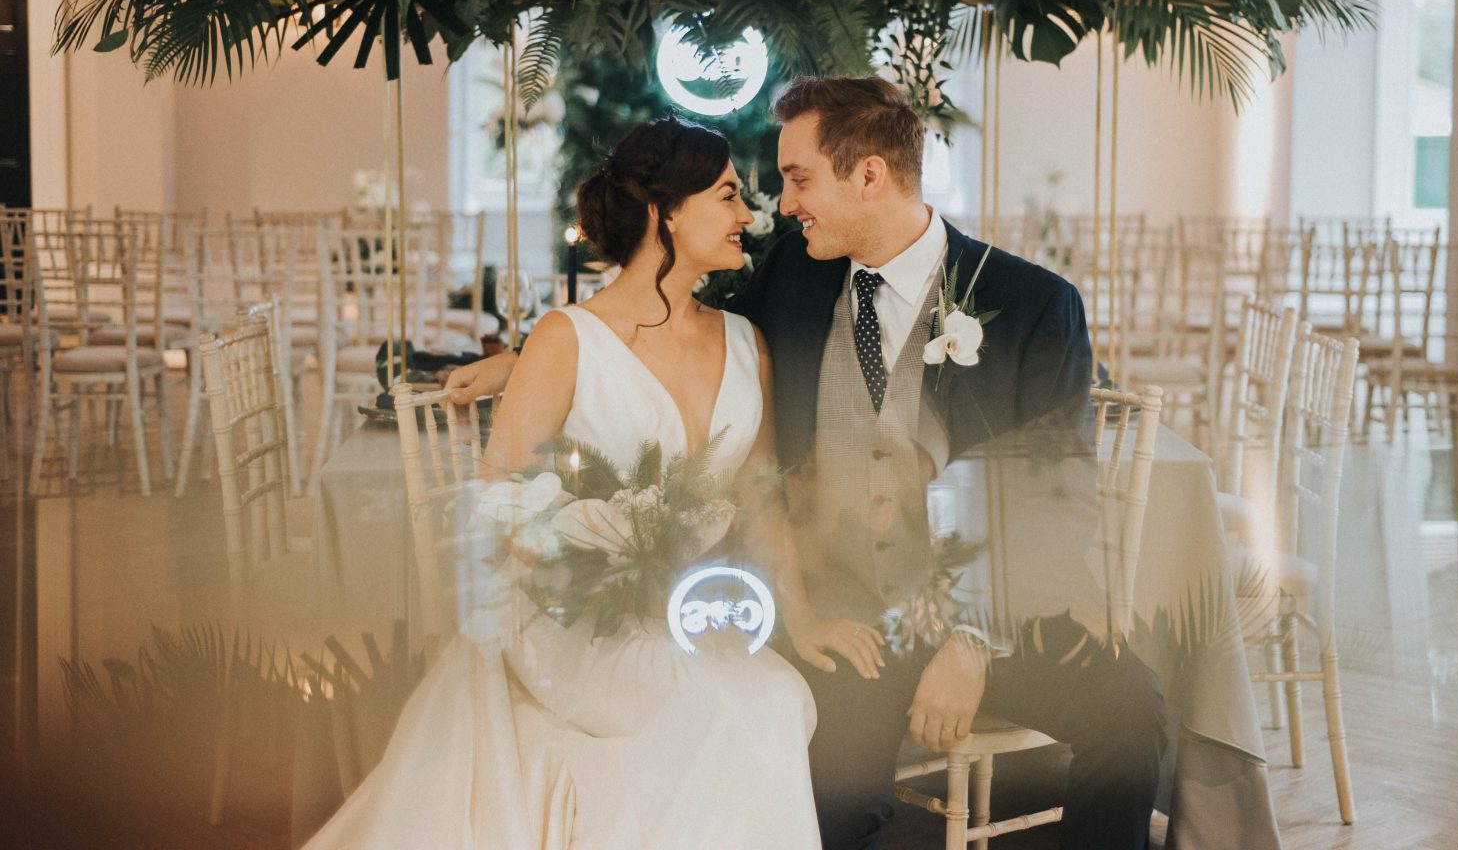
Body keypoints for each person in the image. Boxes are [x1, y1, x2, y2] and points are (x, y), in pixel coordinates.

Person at [450, 77, 1168, 850]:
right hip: (847, 620)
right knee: (812, 805)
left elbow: (1056, 499)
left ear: (868, 175)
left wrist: (971, 643)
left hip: (985, 619)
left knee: (1133, 715)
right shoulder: (795, 275)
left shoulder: (1033, 304)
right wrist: (528, 359)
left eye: (798, 179)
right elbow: (666, 326)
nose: (781, 205)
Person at [304, 117, 821, 849]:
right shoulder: (564, 337)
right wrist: (590, 553)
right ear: (661, 212)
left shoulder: (747, 342)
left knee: (777, 695)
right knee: (739, 705)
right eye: (729, 195)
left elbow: (762, 499)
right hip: (573, 616)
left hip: (684, 618)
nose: (749, 215)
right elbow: (499, 497)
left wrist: (798, 613)